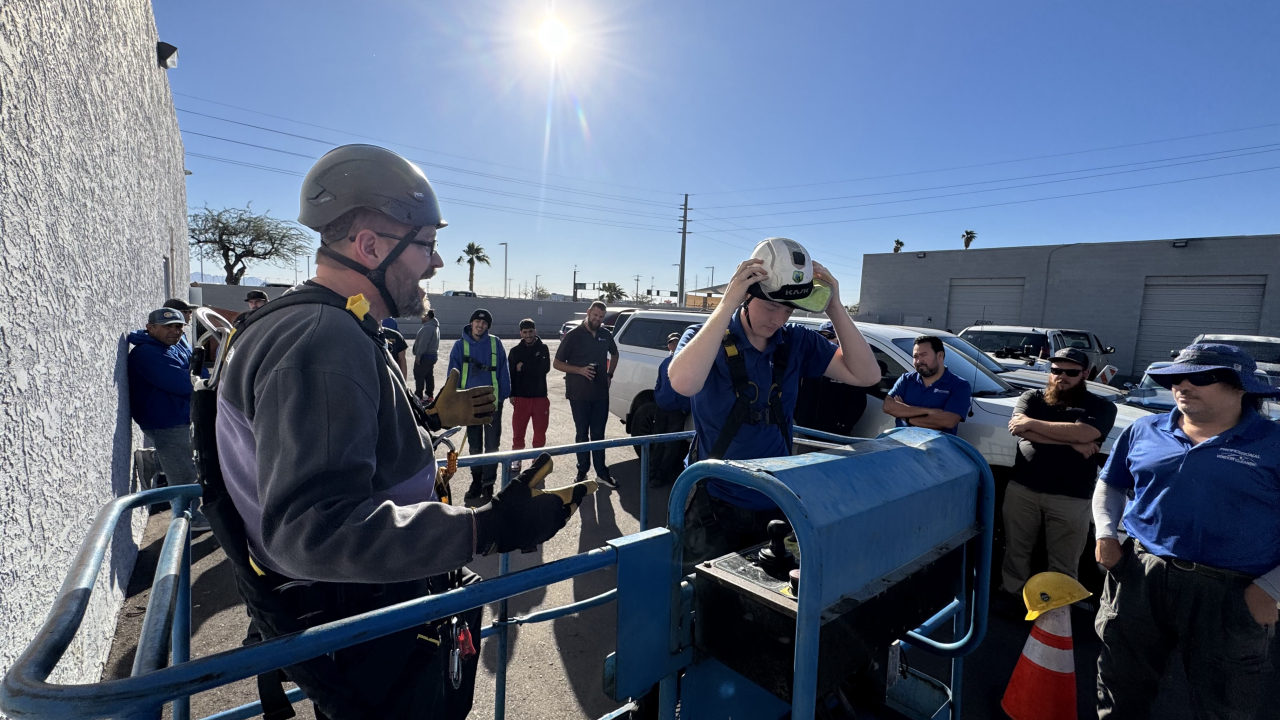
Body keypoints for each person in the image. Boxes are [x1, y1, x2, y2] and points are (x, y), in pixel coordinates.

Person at [211, 144, 585, 719]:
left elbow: (339, 442)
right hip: (361, 622)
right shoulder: (321, 341)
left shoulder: (321, 321)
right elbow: (314, 531)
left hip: (360, 608)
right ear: (370, 246)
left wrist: (431, 420)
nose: (436, 265)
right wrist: (485, 527)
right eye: (427, 246)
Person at [667, 237, 881, 566]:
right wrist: (725, 305)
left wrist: (835, 307)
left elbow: (866, 375)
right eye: (770, 306)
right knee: (697, 599)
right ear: (746, 297)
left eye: (787, 309)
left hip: (774, 498)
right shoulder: (705, 338)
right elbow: (683, 382)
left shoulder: (796, 341)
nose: (778, 318)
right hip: (713, 502)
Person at [1093, 343, 1279, 719]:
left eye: (1201, 378)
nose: (1183, 385)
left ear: (1240, 387)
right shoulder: (1144, 429)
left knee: (1225, 703)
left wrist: (1271, 590)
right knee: (1120, 687)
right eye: (1176, 378)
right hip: (1141, 576)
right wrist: (1105, 534)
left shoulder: (1272, 443)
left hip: (1233, 591)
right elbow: (1110, 484)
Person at [999, 348, 1116, 604]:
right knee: (1017, 551)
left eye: (1070, 372)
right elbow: (1018, 428)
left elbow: (1085, 434)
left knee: (1064, 560)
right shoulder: (1032, 397)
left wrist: (1037, 427)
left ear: (1085, 374)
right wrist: (1070, 440)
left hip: (1071, 496)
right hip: (1023, 489)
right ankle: (1013, 597)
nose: (1061, 376)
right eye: (1055, 371)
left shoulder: (1102, 405)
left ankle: (1058, 611)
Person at [128, 307, 210, 531]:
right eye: (168, 327)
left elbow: (196, 371)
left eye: (178, 326)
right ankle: (188, 519)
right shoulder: (147, 353)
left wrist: (197, 376)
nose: (175, 331)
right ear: (150, 328)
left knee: (184, 459)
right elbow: (185, 382)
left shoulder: (171, 346)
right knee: (185, 473)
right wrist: (198, 378)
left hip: (179, 417)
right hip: (166, 422)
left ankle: (151, 461)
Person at [554, 301, 620, 487]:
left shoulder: (605, 334)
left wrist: (609, 375)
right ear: (589, 312)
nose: (597, 319)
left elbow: (615, 355)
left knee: (599, 434)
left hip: (600, 394)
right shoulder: (573, 335)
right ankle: (581, 472)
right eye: (595, 315)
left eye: (601, 317)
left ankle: (602, 473)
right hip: (579, 394)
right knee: (582, 434)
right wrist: (580, 370)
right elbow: (557, 363)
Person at [448, 308, 511, 500]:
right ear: (471, 323)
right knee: (475, 445)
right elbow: (453, 373)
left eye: (484, 323)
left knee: (492, 445)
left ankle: (488, 485)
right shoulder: (460, 346)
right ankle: (476, 481)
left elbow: (503, 369)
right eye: (477, 321)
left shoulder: (495, 343)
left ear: (487, 327)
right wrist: (453, 398)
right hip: (470, 403)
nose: (480, 325)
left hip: (492, 402)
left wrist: (503, 396)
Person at [881, 335, 972, 434]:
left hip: (937, 446)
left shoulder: (959, 385)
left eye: (924, 355)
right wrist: (929, 411)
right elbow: (888, 406)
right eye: (915, 356)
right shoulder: (906, 380)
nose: (919, 361)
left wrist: (906, 416)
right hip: (901, 443)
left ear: (940, 356)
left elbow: (948, 421)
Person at [793, 324, 869, 437]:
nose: (826, 339)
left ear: (839, 339)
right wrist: (798, 416)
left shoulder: (849, 367)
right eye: (822, 335)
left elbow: (858, 401)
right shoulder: (809, 362)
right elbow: (795, 390)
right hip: (806, 430)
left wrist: (843, 425)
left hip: (835, 434)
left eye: (830, 335)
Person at [507, 319, 551, 475]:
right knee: (518, 432)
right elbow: (511, 374)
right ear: (521, 333)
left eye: (530, 331)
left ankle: (536, 459)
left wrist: (523, 366)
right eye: (525, 332)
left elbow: (543, 369)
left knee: (540, 432)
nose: (528, 335)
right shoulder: (515, 351)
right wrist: (511, 394)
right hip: (521, 398)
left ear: (535, 331)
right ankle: (517, 458)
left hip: (540, 398)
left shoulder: (543, 348)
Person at [649, 332, 691, 488]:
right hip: (661, 408)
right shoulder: (665, 362)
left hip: (676, 411)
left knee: (671, 446)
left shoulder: (687, 363)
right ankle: (651, 472)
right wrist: (657, 397)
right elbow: (658, 382)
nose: (674, 345)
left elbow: (691, 388)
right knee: (658, 441)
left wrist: (683, 408)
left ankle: (662, 475)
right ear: (669, 346)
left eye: (677, 342)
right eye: (672, 343)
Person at [413, 308, 441, 400]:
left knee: (419, 375)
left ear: (427, 316)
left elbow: (423, 343)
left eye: (423, 316)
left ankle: (418, 396)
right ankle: (429, 395)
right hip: (432, 356)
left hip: (425, 356)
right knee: (429, 376)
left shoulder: (428, 328)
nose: (421, 318)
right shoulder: (434, 327)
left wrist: (418, 356)